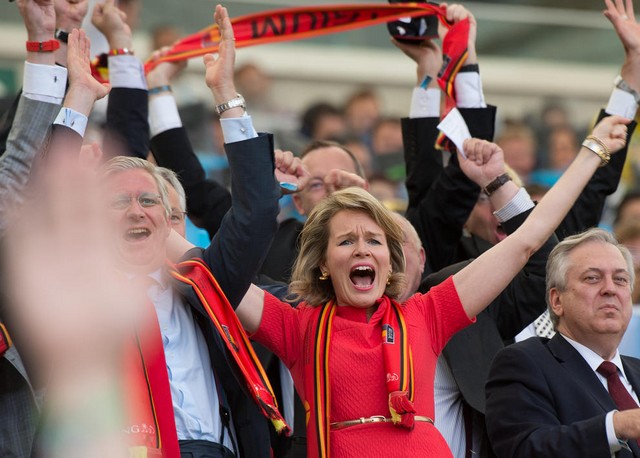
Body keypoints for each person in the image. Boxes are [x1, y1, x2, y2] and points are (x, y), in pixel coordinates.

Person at [196, 104, 628, 458]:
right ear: (323, 264)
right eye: (346, 241)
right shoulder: (296, 325)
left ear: (391, 261)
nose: (363, 250)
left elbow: (527, 241)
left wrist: (592, 151)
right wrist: (230, 103)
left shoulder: (428, 313)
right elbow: (212, 276)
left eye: (375, 241)